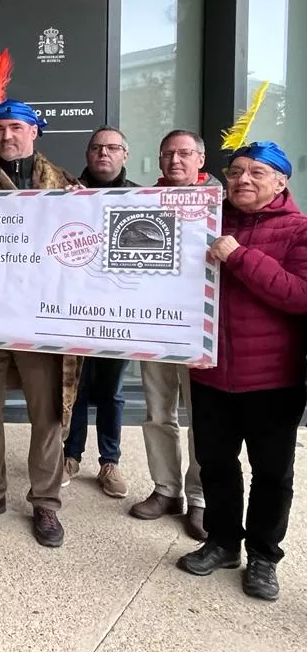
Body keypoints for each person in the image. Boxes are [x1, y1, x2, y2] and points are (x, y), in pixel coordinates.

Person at [176, 141, 307, 602]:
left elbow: (299, 295)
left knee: (272, 473)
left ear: (281, 181)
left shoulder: (300, 230)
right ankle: (222, 542)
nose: (243, 180)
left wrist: (239, 257)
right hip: (210, 372)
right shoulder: (204, 223)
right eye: (234, 173)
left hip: (273, 379)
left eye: (256, 172)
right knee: (215, 464)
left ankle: (265, 557)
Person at [0, 99, 81, 548]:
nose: (8, 135)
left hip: (41, 323)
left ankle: (45, 501)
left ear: (35, 132)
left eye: (17, 127)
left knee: (46, 415)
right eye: (0, 128)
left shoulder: (66, 187)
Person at [130, 130, 221, 539]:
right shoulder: (143, 202)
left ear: (201, 159)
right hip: (154, 326)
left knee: (202, 418)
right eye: (167, 154)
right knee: (158, 413)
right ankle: (166, 490)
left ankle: (199, 498)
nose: (175, 161)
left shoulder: (222, 203)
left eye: (184, 154)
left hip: (200, 329)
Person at [62, 128, 136, 498]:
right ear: (88, 154)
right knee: (73, 387)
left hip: (119, 314)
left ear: (125, 154)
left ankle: (110, 462)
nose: (103, 153)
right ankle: (70, 455)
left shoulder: (143, 198)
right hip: (73, 309)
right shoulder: (65, 192)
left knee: (112, 391)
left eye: (112, 148)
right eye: (96, 148)